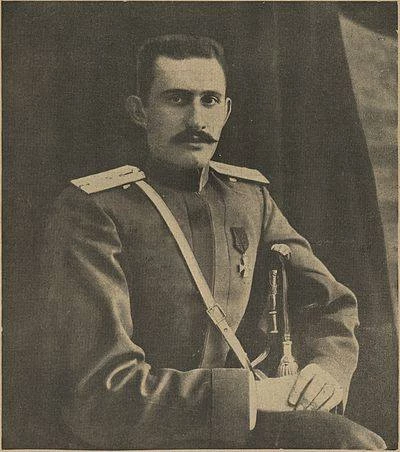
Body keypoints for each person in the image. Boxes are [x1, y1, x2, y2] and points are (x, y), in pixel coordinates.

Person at [39, 34, 385, 449]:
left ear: (227, 111)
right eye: (177, 99)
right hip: (138, 433)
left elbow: (331, 303)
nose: (197, 121)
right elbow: (104, 388)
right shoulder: (94, 211)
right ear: (139, 111)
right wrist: (251, 396)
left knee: (355, 444)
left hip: (235, 426)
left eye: (210, 101)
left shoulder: (248, 199)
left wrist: (328, 367)